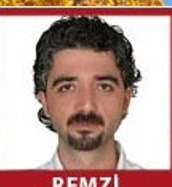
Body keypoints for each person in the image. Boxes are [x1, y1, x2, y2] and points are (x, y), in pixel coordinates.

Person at [33, 15, 143, 170]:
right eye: (67, 87)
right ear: (45, 102)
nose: (86, 106)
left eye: (104, 87)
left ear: (126, 100)